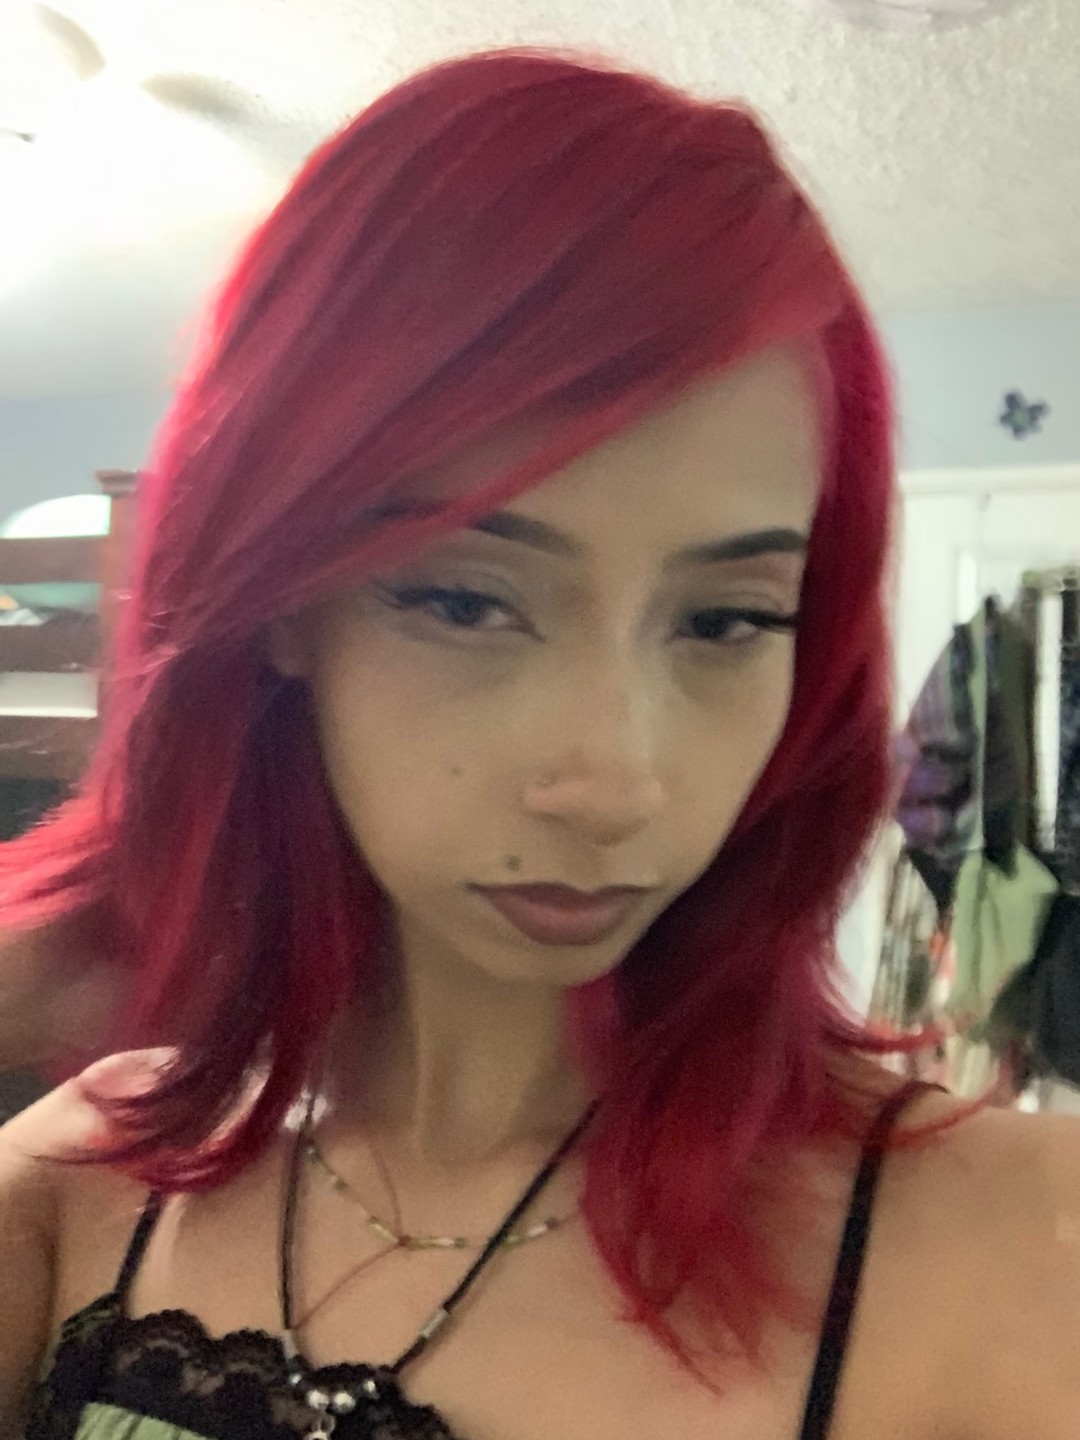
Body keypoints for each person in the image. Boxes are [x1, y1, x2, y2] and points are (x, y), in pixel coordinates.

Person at [2, 45, 1079, 1440]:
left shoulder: (1009, 1252)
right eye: (465, 600)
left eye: (727, 619)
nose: (616, 782)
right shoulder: (85, 1187)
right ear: (279, 602)